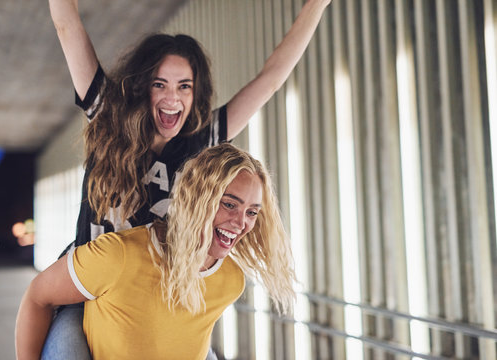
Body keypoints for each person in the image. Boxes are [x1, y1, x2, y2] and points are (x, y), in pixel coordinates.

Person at [43, 0, 331, 358]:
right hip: (85, 293)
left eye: (184, 87)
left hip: (154, 298)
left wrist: (317, 6)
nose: (171, 98)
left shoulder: (201, 144)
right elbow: (67, 26)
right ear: (142, 87)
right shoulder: (108, 117)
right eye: (160, 84)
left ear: (196, 95)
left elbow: (270, 80)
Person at [16, 144, 296, 360]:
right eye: (229, 205)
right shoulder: (119, 256)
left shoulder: (231, 281)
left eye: (252, 212)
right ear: (196, 197)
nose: (241, 223)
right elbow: (38, 297)